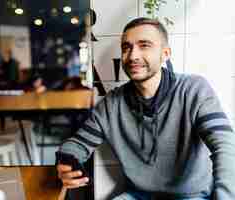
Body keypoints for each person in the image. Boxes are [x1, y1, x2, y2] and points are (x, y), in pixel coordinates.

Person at [55, 17, 235, 200]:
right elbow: (77, 144)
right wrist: (68, 159)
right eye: (126, 47)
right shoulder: (112, 104)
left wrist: (225, 196)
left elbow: (225, 145)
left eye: (144, 45)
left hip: (190, 196)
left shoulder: (194, 89)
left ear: (165, 54)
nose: (133, 56)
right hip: (138, 195)